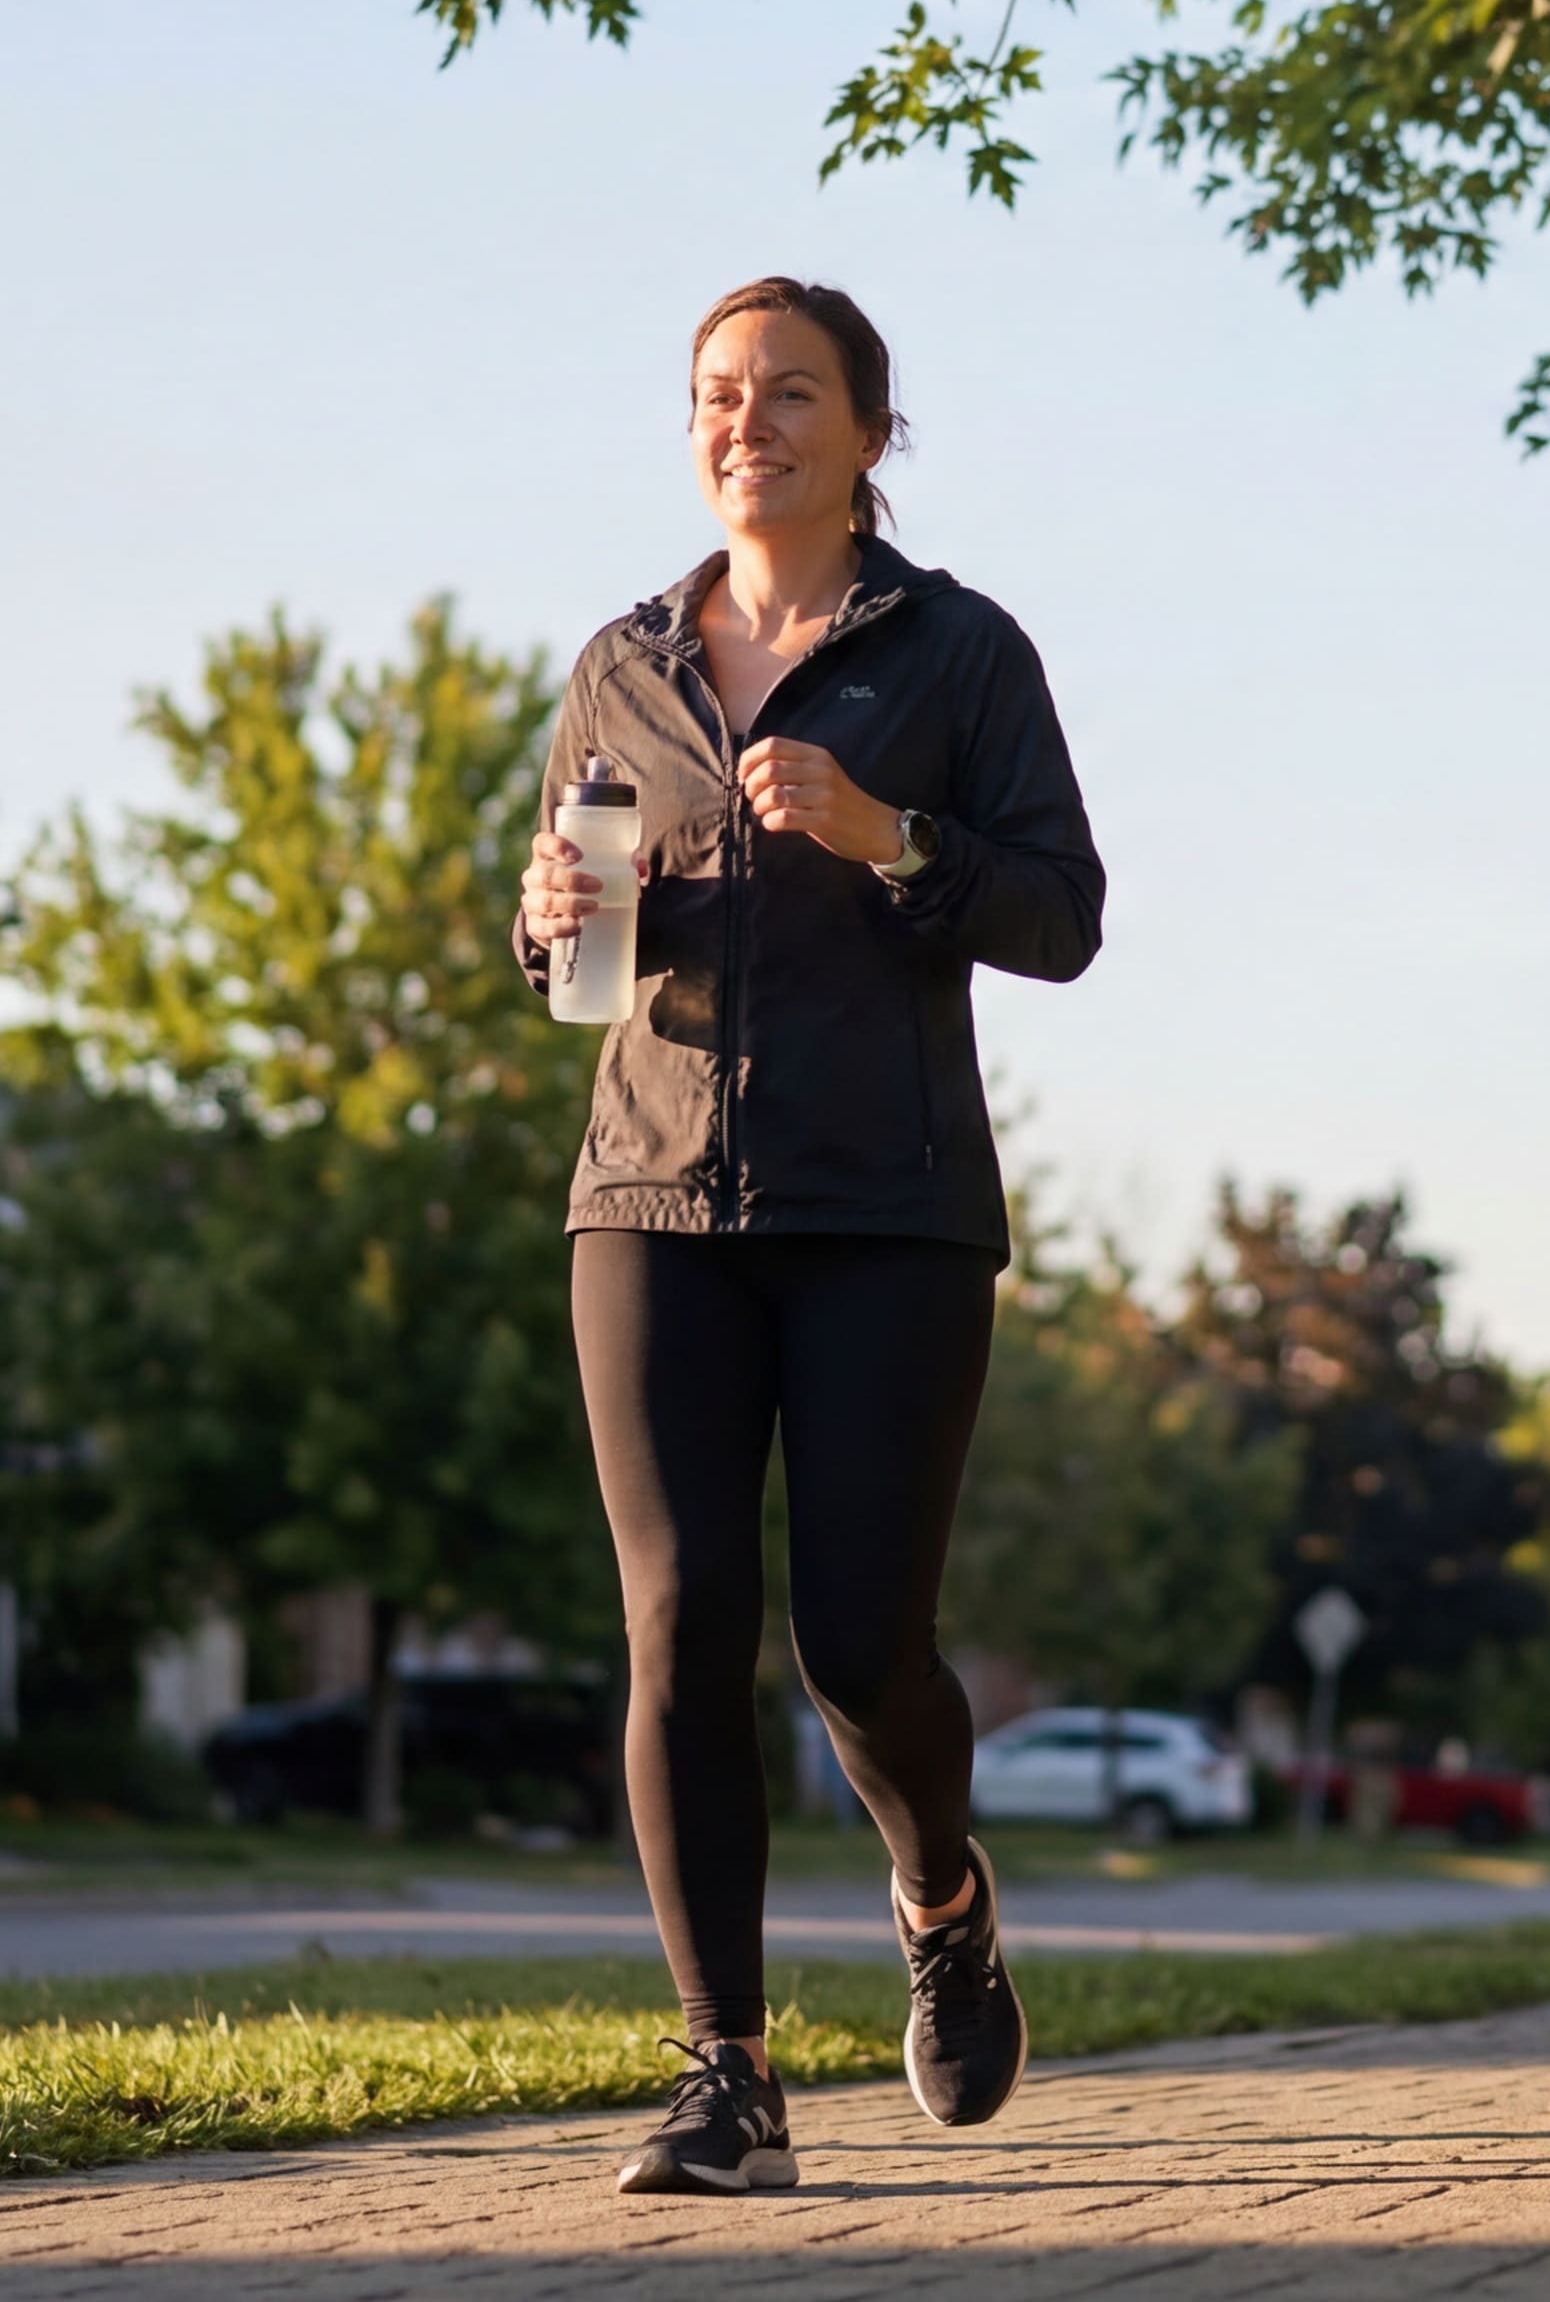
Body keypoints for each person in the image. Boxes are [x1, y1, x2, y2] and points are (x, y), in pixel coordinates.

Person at [516, 279, 1107, 2197]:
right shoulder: (621, 664)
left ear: (867, 432)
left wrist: (884, 831)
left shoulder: (956, 652)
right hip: (651, 1195)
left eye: (786, 390)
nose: (742, 418)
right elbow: (575, 969)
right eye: (714, 391)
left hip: (886, 1211)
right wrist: (545, 922)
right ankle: (724, 2074)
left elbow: (1059, 912)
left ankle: (939, 1897)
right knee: (678, 1620)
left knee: (858, 1644)